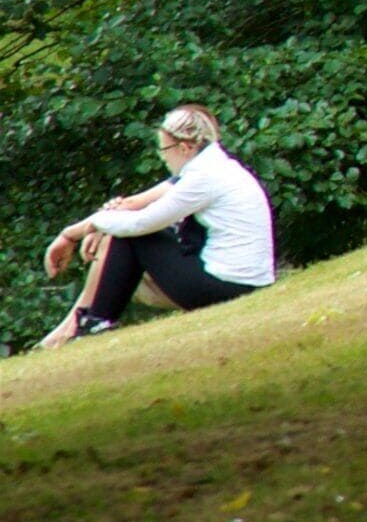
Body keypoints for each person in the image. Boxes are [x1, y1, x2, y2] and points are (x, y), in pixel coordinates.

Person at [34, 103, 276, 348]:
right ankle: (87, 323)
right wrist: (91, 228)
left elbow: (142, 223)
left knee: (133, 236)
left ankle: (94, 323)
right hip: (243, 284)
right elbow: (135, 206)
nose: (163, 158)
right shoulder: (215, 166)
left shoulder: (204, 178)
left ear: (184, 147)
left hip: (229, 288)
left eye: (164, 151)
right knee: (126, 231)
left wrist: (82, 230)